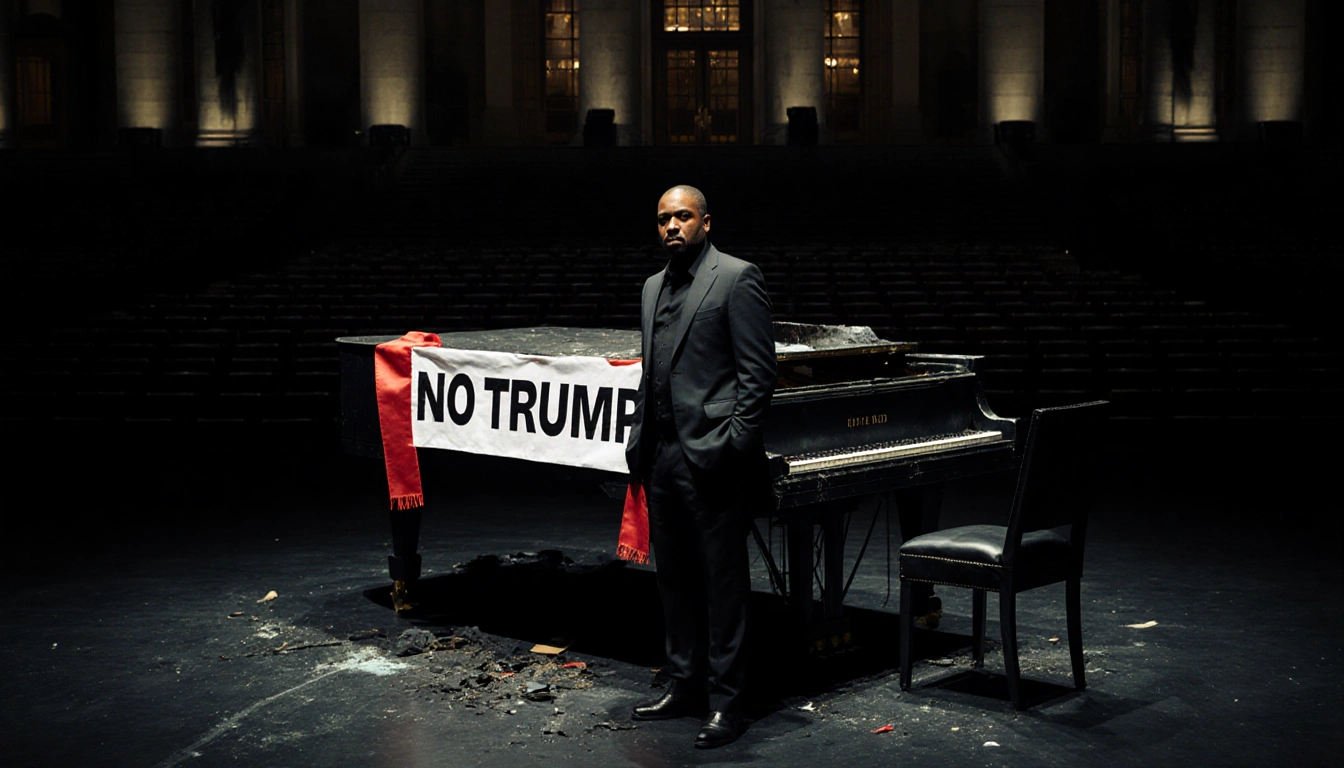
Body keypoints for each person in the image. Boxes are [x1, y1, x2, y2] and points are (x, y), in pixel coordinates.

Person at [625, 185, 777, 749]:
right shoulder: (650, 288)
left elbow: (758, 376)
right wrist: (640, 442)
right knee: (675, 581)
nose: (672, 226)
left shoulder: (737, 278)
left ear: (706, 222)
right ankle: (684, 684)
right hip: (662, 456)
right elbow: (651, 374)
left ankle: (729, 703)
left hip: (713, 457)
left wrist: (733, 446)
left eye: (683, 216)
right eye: (663, 218)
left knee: (724, 585)